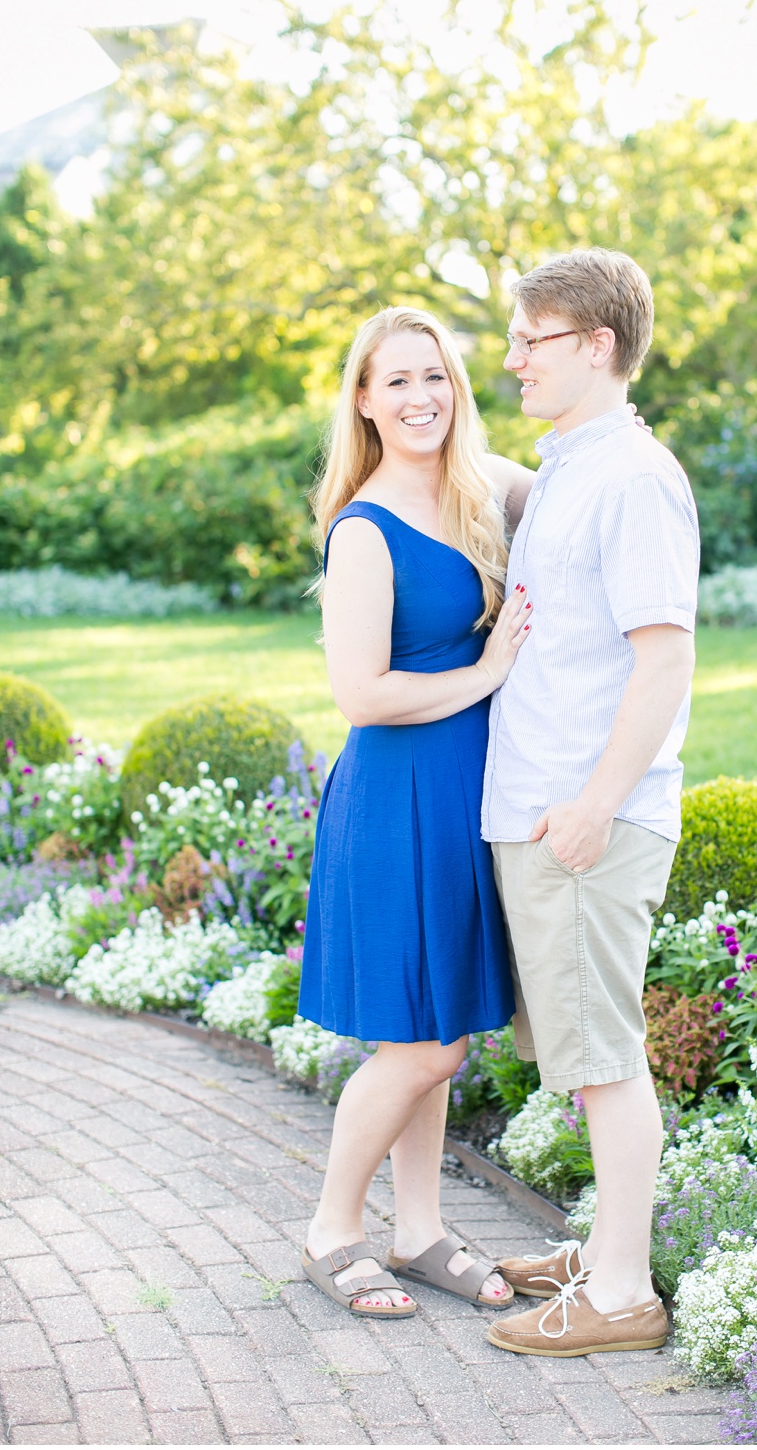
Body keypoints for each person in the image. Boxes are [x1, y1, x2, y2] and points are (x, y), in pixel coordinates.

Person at [476, 248, 700, 1358]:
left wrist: (592, 804)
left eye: (534, 337)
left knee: (605, 1059)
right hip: (544, 813)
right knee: (580, 1053)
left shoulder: (633, 478)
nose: (511, 356)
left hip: (585, 822)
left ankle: (619, 1292)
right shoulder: (571, 465)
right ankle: (606, 1244)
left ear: (598, 346)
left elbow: (662, 661)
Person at [298, 306, 534, 1317]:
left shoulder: (481, 489)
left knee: (440, 1032)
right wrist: (487, 670)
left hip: (462, 793)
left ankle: (420, 1229)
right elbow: (363, 695)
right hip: (396, 800)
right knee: (421, 1042)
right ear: (363, 398)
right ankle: (331, 1229)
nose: (419, 397)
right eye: (395, 380)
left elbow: (582, 468)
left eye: (433, 375)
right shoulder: (364, 527)